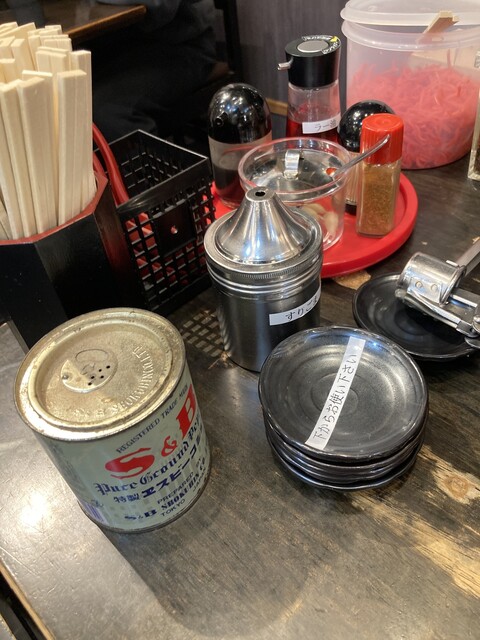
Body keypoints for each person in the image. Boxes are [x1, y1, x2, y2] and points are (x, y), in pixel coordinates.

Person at [90, 0, 217, 141]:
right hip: (115, 48)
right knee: (73, 96)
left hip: (178, 46)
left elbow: (160, 4)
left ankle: (149, 155)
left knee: (105, 111)